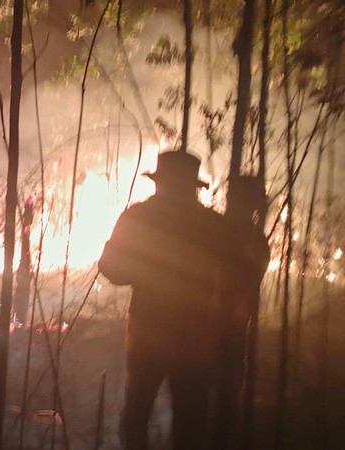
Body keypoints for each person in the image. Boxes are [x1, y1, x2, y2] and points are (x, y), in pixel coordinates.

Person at [98, 150, 228, 450]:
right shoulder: (214, 226)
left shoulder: (138, 217)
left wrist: (143, 269)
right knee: (191, 424)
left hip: (148, 336)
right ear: (191, 186)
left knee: (136, 417)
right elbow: (233, 280)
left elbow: (111, 268)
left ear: (160, 182)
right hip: (196, 341)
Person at [213, 175, 269, 449]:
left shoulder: (213, 231)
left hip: (212, 333)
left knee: (202, 409)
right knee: (222, 408)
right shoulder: (256, 240)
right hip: (230, 334)